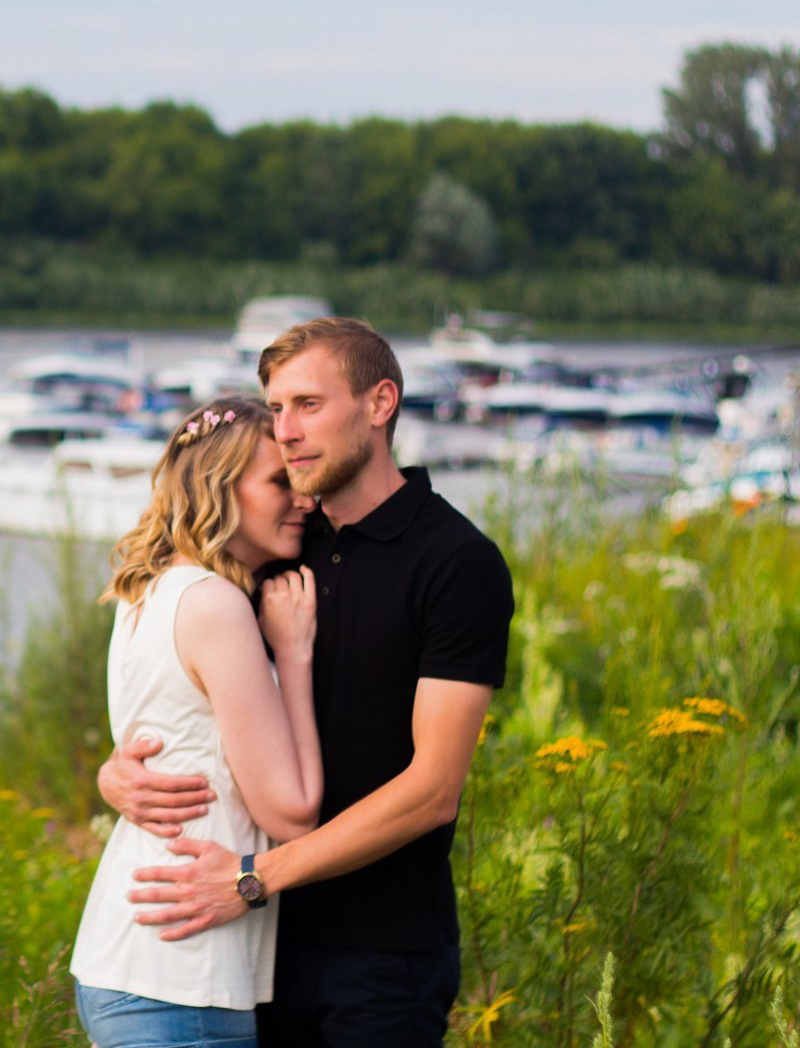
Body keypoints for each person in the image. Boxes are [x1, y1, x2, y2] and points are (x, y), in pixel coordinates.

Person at [100, 317, 515, 1047]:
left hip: (380, 951)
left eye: (308, 404)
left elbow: (434, 788)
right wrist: (117, 774)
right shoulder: (279, 543)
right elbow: (191, 691)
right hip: (254, 952)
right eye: (278, 406)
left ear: (379, 402)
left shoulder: (457, 562)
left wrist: (256, 875)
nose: (286, 429)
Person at [70, 394, 324, 1047]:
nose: (303, 498)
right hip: (181, 974)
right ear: (219, 486)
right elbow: (292, 813)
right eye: (279, 480)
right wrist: (293, 654)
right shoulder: (214, 604)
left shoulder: (144, 590)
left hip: (131, 954)